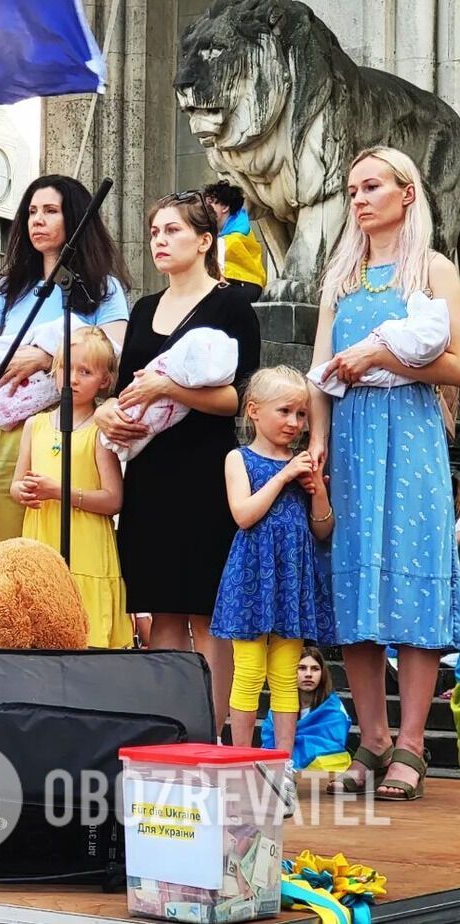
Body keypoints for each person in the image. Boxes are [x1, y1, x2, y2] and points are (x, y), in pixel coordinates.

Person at [309, 145, 460, 802]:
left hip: (413, 431)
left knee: (411, 581)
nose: (360, 198)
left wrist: (387, 357)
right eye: (351, 190)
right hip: (350, 436)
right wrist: (316, 444)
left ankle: (412, 742)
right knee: (355, 590)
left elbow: (458, 364)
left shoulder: (432, 269)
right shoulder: (340, 277)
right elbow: (319, 369)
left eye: (372, 186)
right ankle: (370, 739)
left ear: (406, 192)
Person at [98, 193, 261, 720]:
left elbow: (239, 398)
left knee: (207, 607)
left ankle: (213, 729)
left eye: (172, 231)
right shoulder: (144, 308)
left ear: (205, 240)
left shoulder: (232, 304)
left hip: (205, 468)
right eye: (154, 232)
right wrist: (108, 415)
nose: (160, 241)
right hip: (149, 468)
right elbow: (124, 391)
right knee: (162, 603)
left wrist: (168, 390)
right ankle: (173, 726)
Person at [0, 176, 131, 545]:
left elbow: (114, 351)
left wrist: (48, 356)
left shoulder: (103, 287)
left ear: (74, 218)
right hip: (4, 431)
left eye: (50, 211)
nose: (37, 221)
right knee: (10, 554)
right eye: (31, 212)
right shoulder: (11, 285)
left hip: (68, 431)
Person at [213, 366, 333, 756]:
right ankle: (241, 756)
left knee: (285, 675)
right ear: (254, 411)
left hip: (290, 580)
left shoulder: (304, 462)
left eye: (300, 415)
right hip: (252, 577)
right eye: (284, 412)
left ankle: (282, 762)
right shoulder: (238, 459)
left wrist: (316, 492)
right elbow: (244, 514)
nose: (294, 423)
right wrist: (282, 478)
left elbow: (322, 529)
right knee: (248, 672)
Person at [11, 327, 127, 647]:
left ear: (104, 380)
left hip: (86, 542)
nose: (72, 379)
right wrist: (22, 491)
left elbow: (113, 499)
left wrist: (59, 492)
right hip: (41, 537)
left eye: (85, 372)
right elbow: (17, 484)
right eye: (66, 368)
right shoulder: (35, 424)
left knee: (88, 635)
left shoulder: (98, 430)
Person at [264, 647, 353, 774]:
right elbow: (269, 738)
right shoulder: (279, 707)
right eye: (302, 668)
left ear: (323, 673)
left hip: (320, 768)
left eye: (315, 669)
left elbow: (332, 746)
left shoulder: (333, 709)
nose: (308, 674)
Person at [203, 180, 265, 301]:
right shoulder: (221, 232)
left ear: (225, 207)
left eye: (210, 203)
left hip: (246, 285)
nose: (206, 209)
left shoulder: (236, 234)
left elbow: (222, 258)